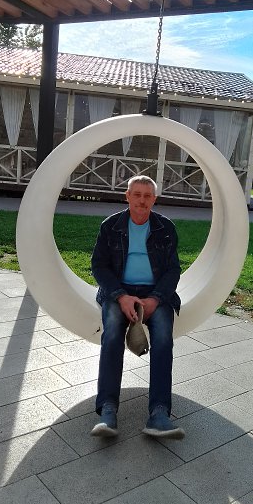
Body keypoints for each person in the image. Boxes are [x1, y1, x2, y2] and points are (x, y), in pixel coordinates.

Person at [90, 175, 185, 440]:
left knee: (163, 338)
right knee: (111, 335)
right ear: (127, 196)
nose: (142, 201)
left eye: (147, 196)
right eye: (137, 194)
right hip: (119, 290)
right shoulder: (111, 226)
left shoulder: (165, 227)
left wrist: (155, 299)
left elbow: (173, 269)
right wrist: (121, 296)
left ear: (154, 199)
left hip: (156, 293)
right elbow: (99, 266)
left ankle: (159, 413)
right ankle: (107, 410)